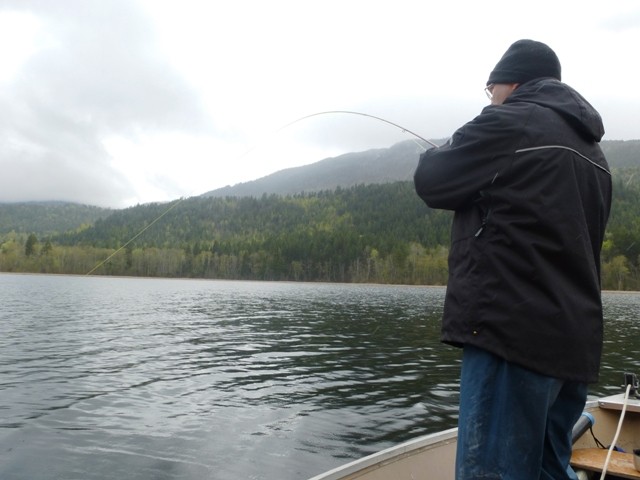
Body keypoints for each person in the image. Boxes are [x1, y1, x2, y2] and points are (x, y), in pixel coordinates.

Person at [413, 39, 612, 480]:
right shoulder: (596, 154)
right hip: (572, 348)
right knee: (547, 470)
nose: (491, 99)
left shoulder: (512, 120)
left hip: (511, 334)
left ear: (511, 82)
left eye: (491, 90)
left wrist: (441, 148)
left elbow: (432, 180)